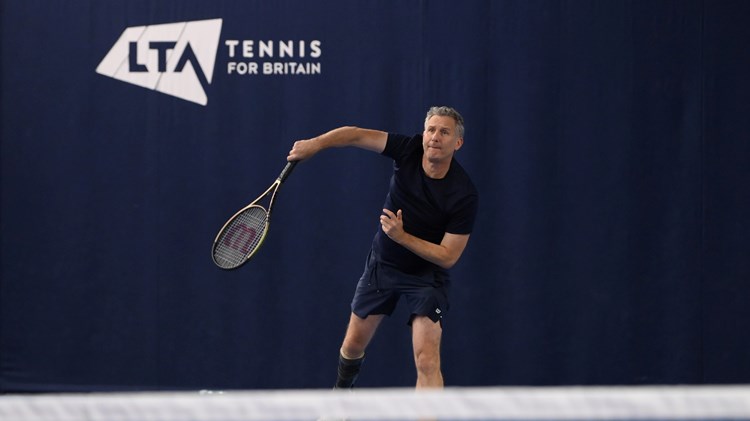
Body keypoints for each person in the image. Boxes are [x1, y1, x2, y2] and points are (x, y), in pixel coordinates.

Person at [287, 106, 478, 389]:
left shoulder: (463, 194)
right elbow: (354, 135)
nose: (435, 137)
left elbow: (448, 256)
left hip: (426, 276)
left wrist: (402, 237)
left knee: (427, 359)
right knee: (352, 345)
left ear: (457, 143)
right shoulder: (407, 149)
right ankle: (339, 404)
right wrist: (315, 144)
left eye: (444, 132)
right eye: (431, 130)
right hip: (385, 265)